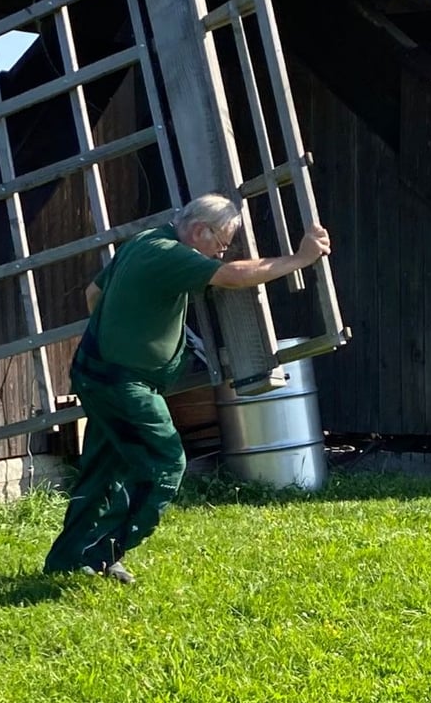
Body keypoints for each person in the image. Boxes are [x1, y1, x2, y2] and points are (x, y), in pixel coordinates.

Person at [43, 193, 331, 584]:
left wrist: (124, 329)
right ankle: (101, 553)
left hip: (97, 373)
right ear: (198, 230)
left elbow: (93, 295)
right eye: (221, 244)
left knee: (104, 466)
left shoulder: (143, 241)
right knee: (164, 464)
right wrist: (299, 259)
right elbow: (231, 276)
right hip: (124, 383)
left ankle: (67, 560)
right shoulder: (167, 253)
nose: (220, 253)